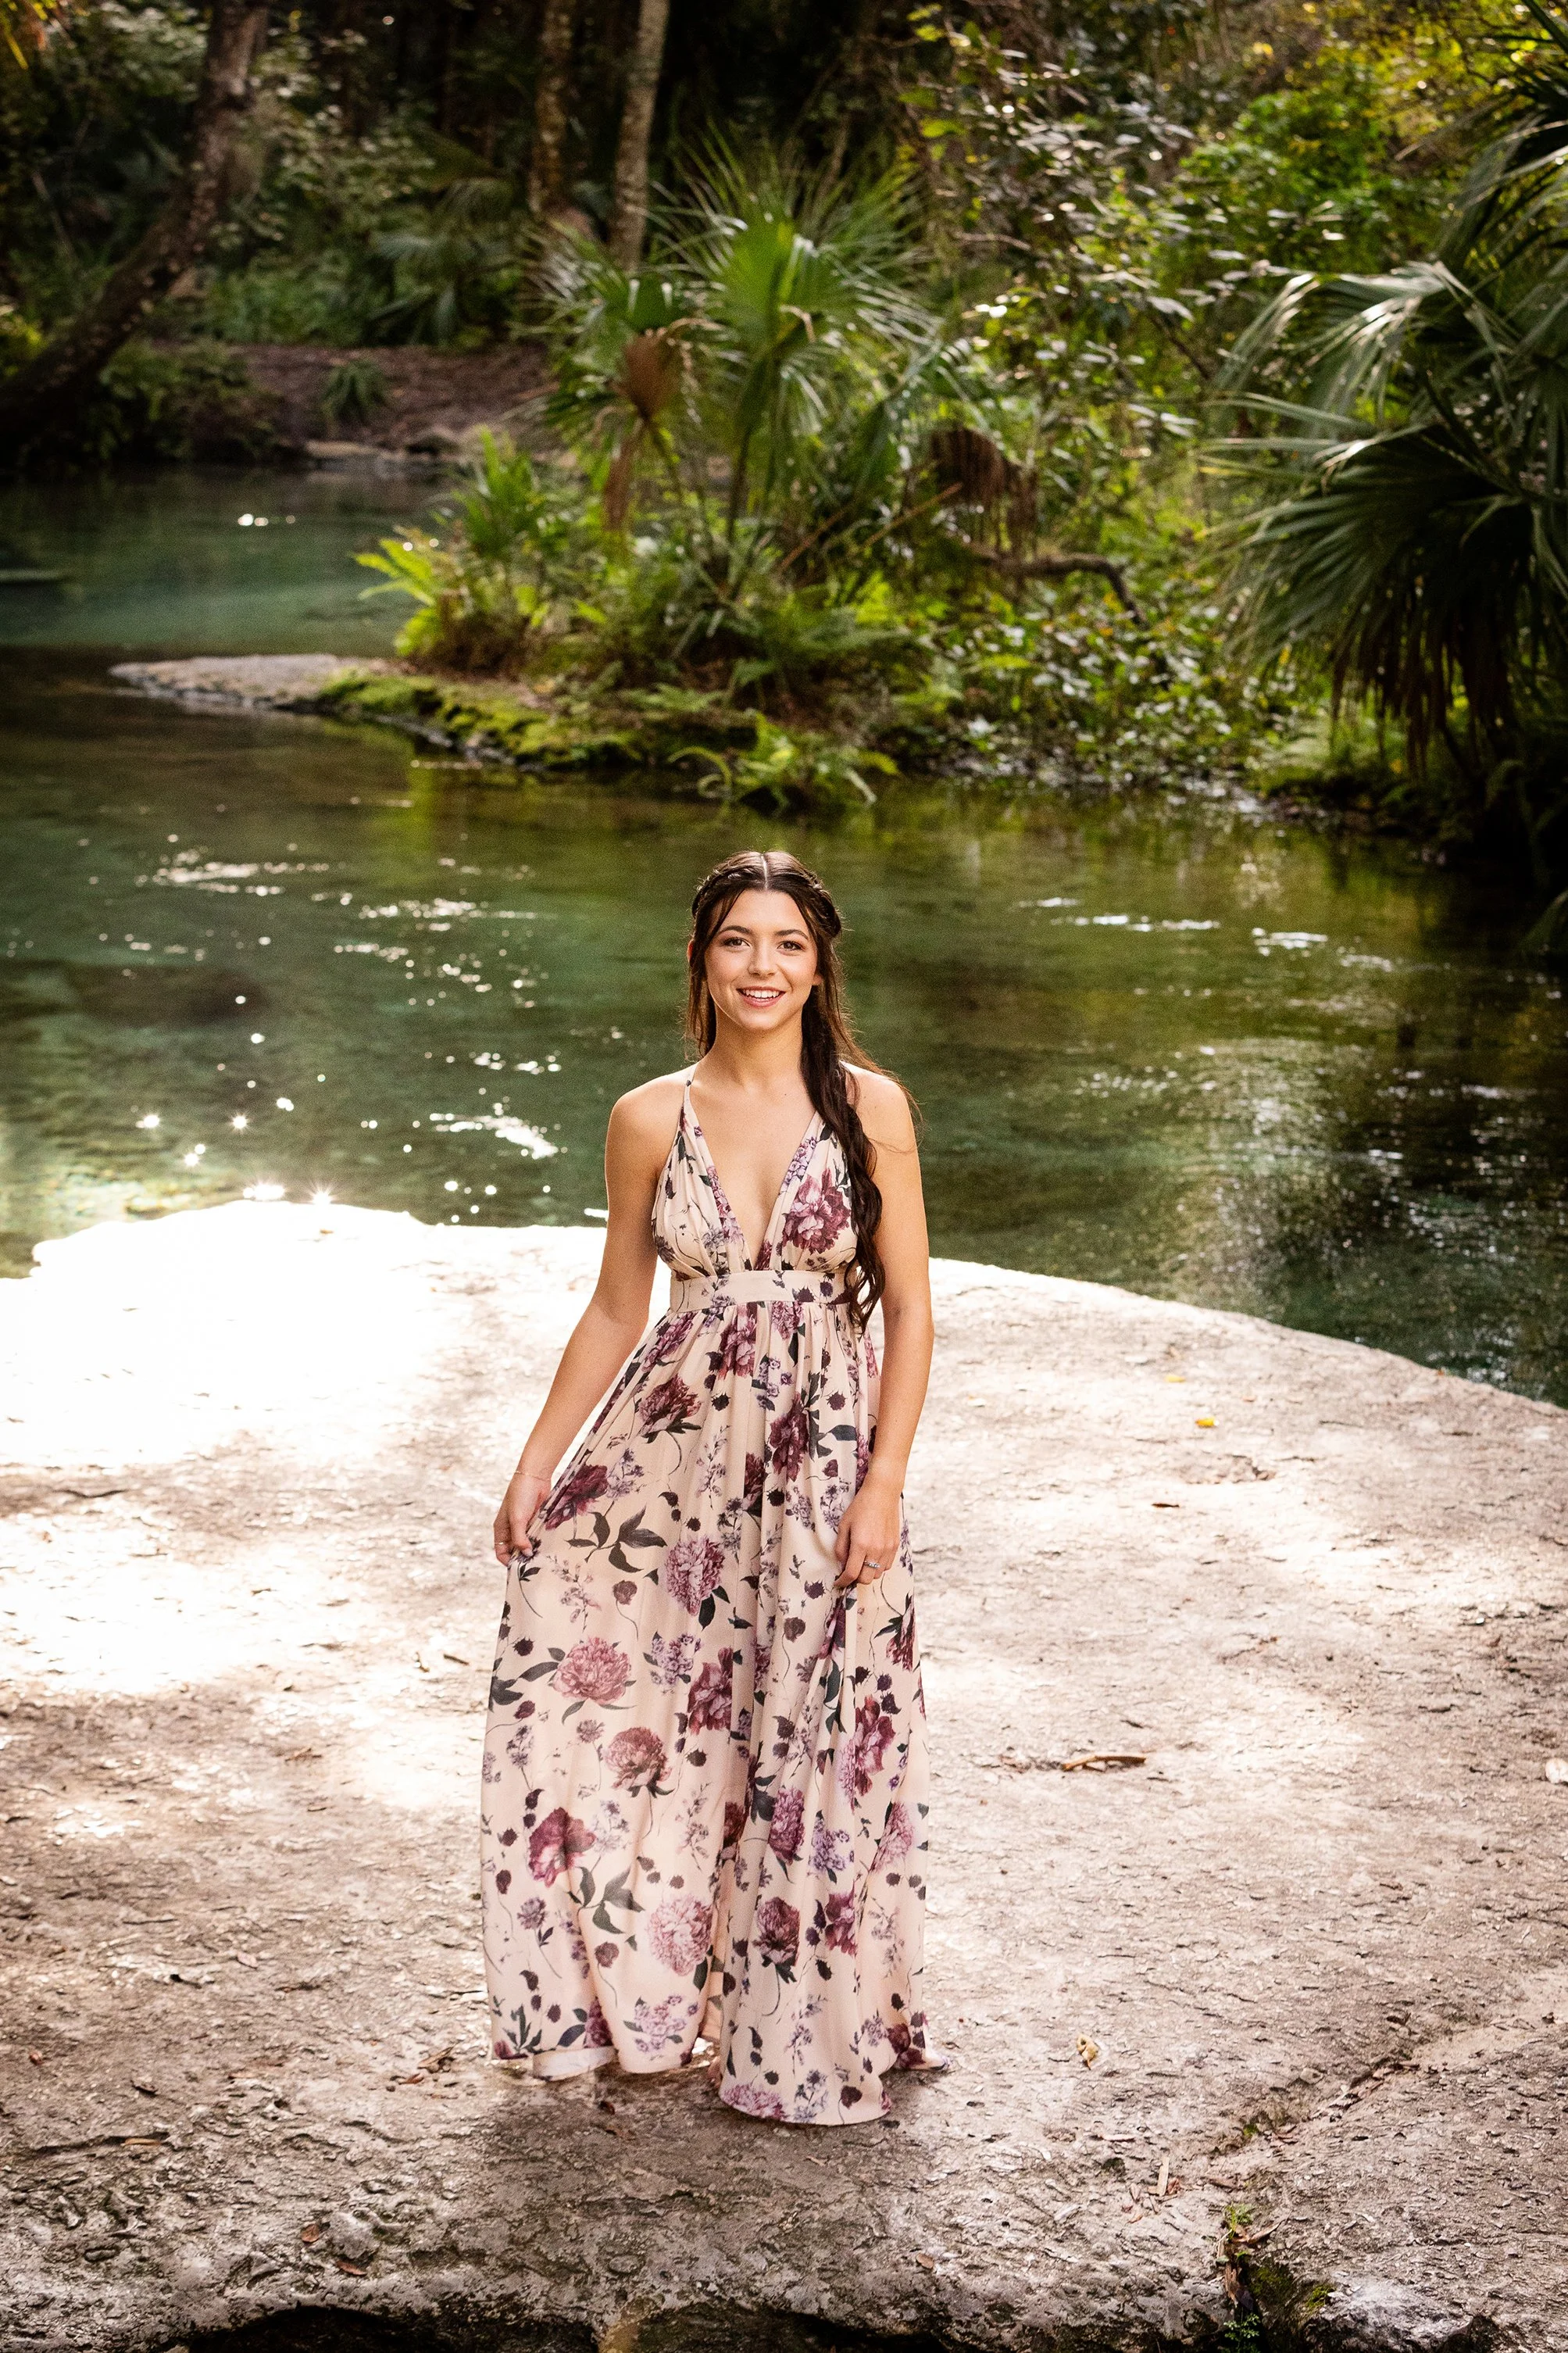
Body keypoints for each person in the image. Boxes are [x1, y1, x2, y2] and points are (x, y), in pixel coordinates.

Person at [481, 848, 940, 2124]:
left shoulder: (870, 1108)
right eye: (738, 940)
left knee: (814, 1731)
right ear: (700, 961)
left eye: (787, 944)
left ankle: (802, 2025)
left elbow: (909, 1311)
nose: (762, 966)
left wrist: (883, 1480)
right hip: (675, 1471)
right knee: (639, 1713)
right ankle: (637, 1996)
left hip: (826, 1466)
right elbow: (616, 1305)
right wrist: (539, 1462)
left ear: (818, 964)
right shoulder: (646, 1115)